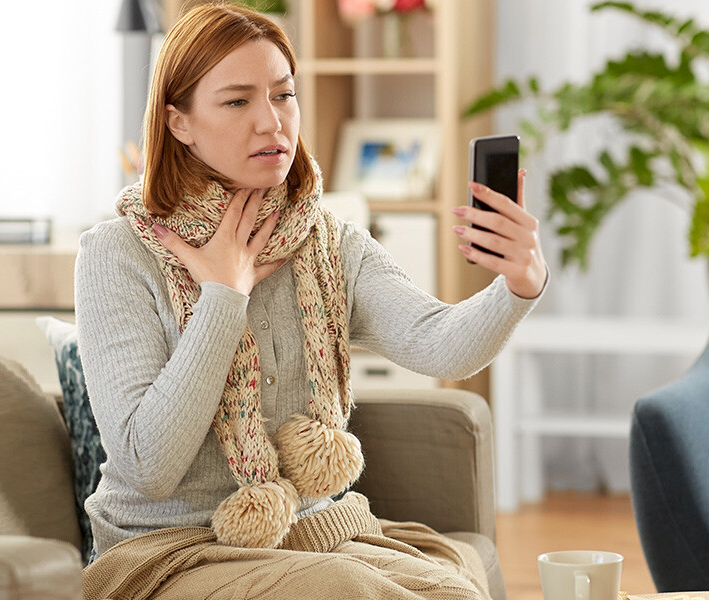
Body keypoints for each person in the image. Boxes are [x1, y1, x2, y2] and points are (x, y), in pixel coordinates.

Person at [75, 3, 547, 598]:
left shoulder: (326, 237)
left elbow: (438, 344)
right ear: (179, 122)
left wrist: (519, 283)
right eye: (237, 100)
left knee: (450, 591)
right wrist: (224, 295)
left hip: (312, 532)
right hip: (171, 550)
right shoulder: (118, 253)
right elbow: (149, 466)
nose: (272, 123)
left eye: (284, 95)